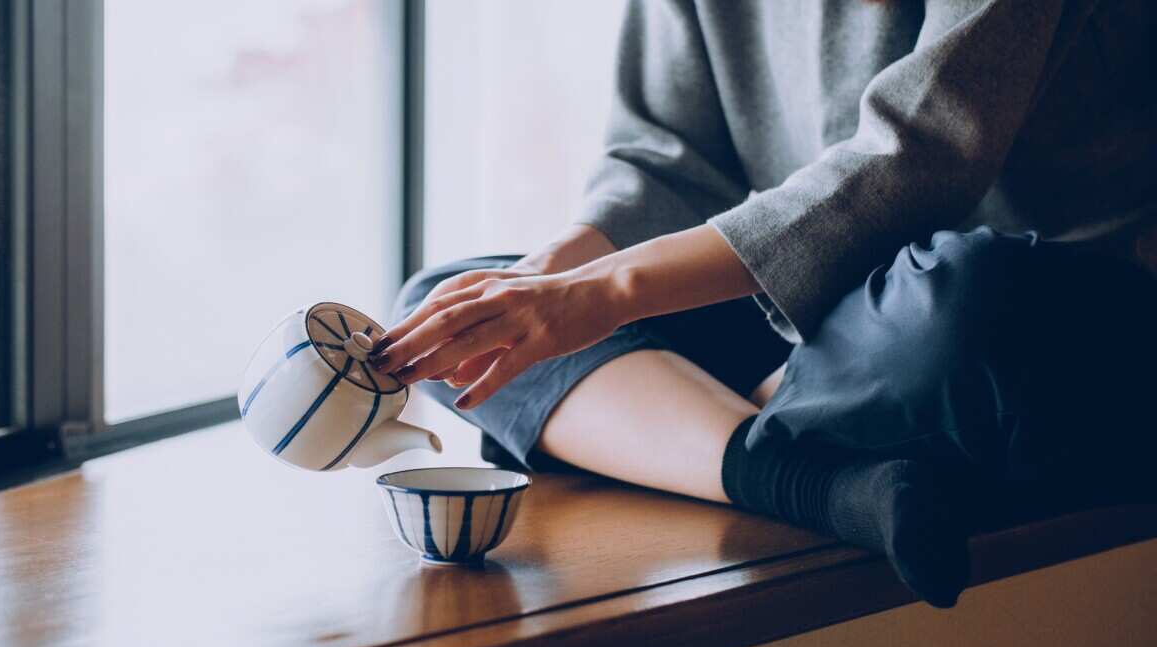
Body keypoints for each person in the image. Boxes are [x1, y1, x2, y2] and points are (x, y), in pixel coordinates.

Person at [373, 0, 1157, 608]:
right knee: (451, 299)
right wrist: (542, 281)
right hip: (819, 312)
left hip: (1035, 310)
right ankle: (815, 480)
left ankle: (688, 427)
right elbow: (665, 160)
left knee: (972, 298)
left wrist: (602, 294)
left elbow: (922, 153)